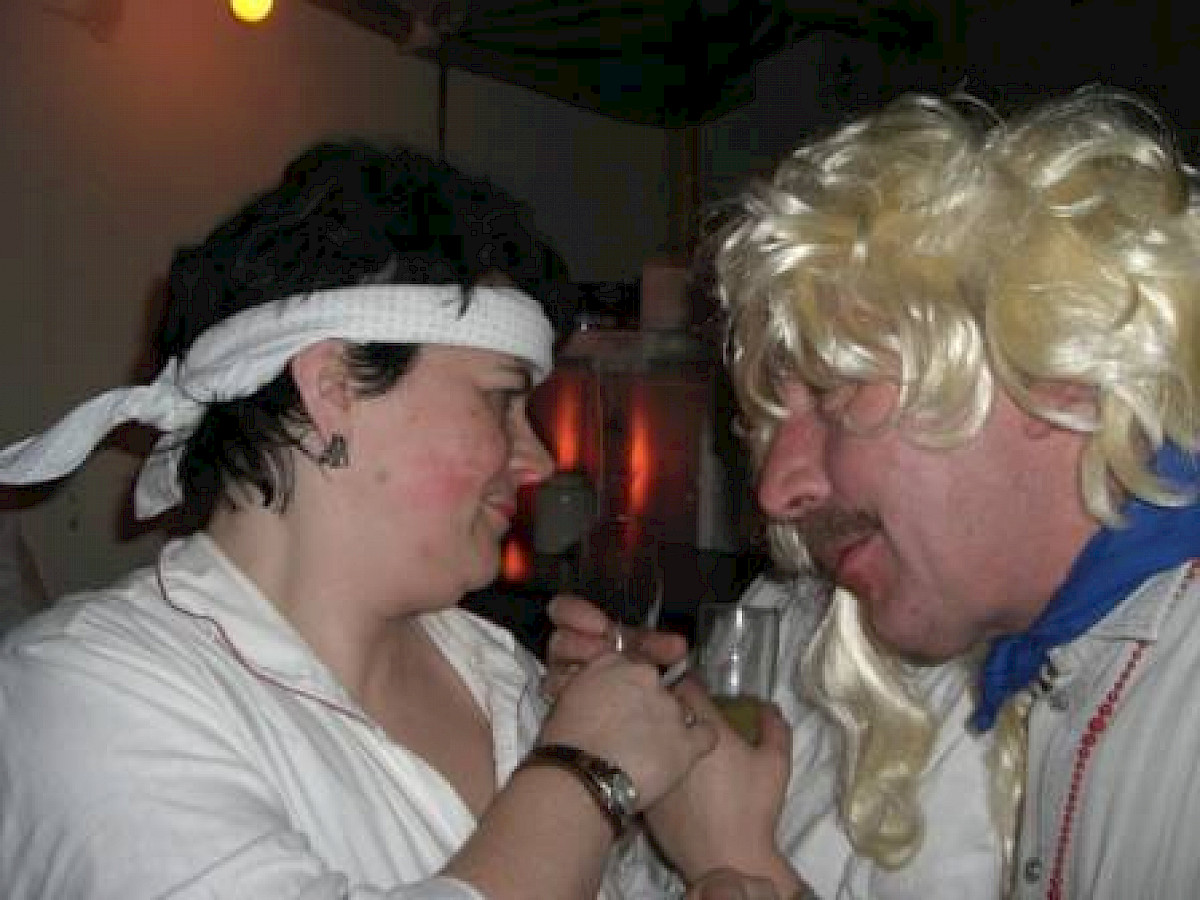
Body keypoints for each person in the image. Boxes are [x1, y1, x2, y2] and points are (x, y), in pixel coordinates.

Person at [0, 140, 725, 899]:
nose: (538, 459)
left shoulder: (503, 673)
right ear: (333, 387)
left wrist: (687, 832)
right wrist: (585, 776)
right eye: (502, 399)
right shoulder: (79, 696)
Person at [555, 83, 1200, 900]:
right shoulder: (1076, 662)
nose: (775, 488)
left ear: (1058, 370)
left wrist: (735, 859)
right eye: (765, 423)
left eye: (834, 392)